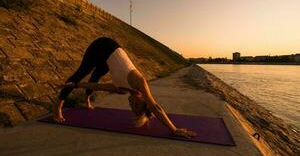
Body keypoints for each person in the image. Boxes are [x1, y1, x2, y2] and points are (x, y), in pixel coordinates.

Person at [53, 37, 197, 138]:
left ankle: (86, 99)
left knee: (95, 77)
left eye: (131, 106)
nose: (131, 103)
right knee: (82, 72)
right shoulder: (139, 81)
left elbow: (97, 86)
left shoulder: (121, 89)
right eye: (136, 104)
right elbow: (155, 107)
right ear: (143, 100)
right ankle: (58, 107)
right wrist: (174, 129)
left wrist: (77, 85)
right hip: (104, 45)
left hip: (107, 59)